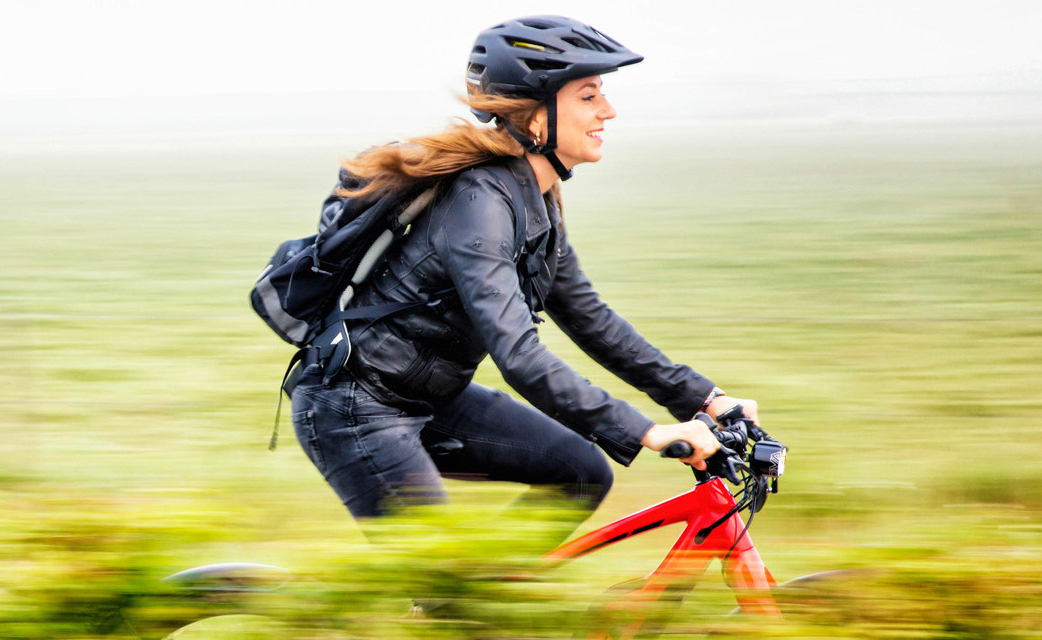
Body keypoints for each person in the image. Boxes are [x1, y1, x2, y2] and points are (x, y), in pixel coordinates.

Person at [287, 15, 763, 525]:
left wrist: (705, 399)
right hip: (357, 407)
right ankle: (449, 604)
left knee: (580, 472)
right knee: (436, 577)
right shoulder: (480, 204)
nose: (609, 110)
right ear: (536, 116)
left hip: (430, 397)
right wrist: (646, 431)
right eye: (588, 96)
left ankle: (485, 594)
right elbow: (518, 353)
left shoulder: (535, 201)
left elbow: (592, 321)